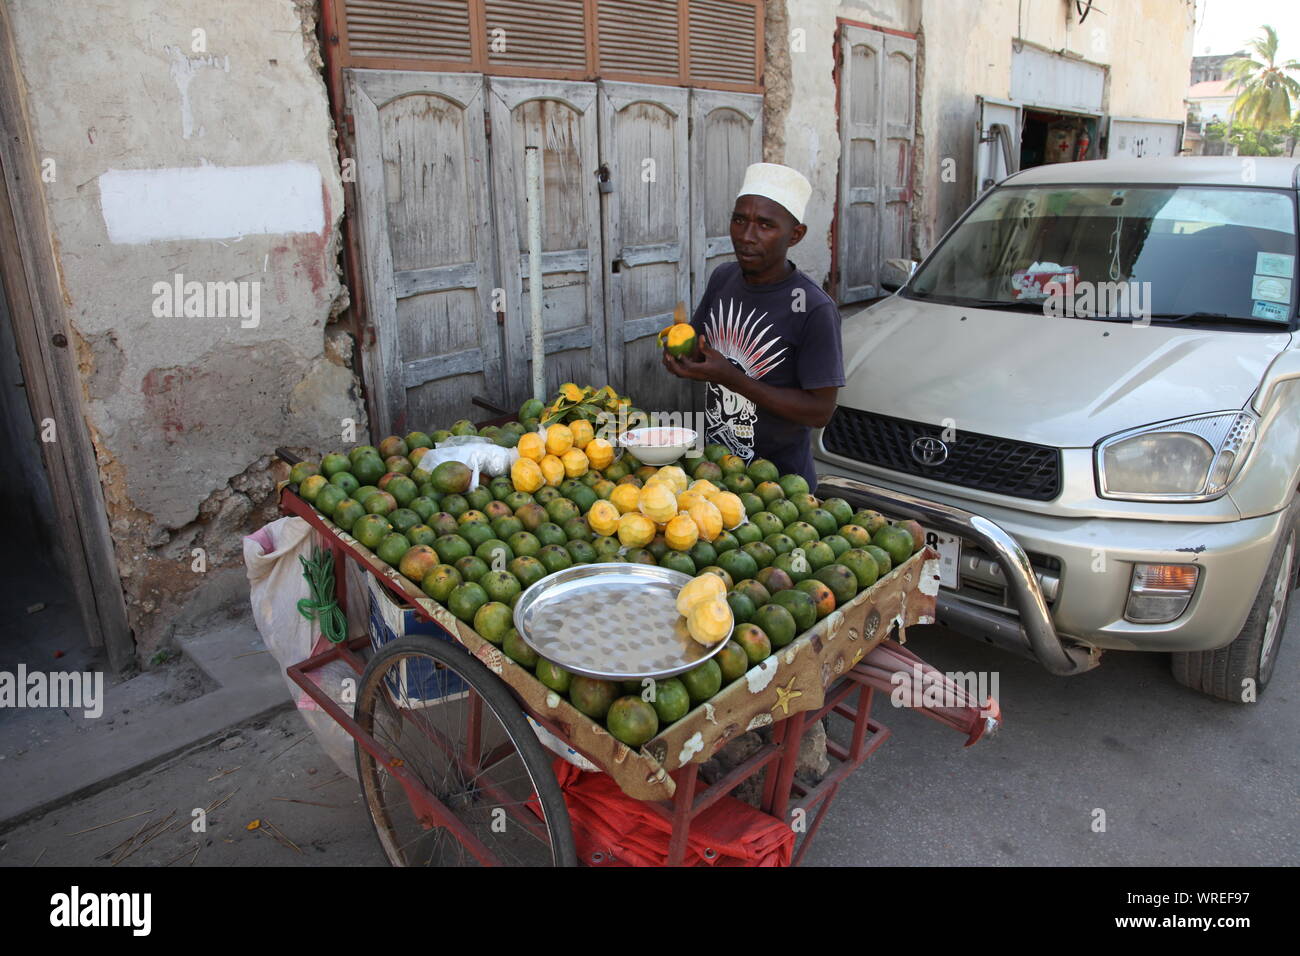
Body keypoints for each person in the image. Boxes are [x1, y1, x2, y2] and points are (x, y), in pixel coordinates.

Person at [663, 162, 844, 492]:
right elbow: (700, 347)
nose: (747, 236)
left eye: (765, 225)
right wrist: (681, 356)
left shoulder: (814, 308)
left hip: (780, 490)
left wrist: (731, 378)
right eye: (739, 220)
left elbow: (820, 411)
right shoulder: (723, 278)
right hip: (716, 473)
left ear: (796, 234)